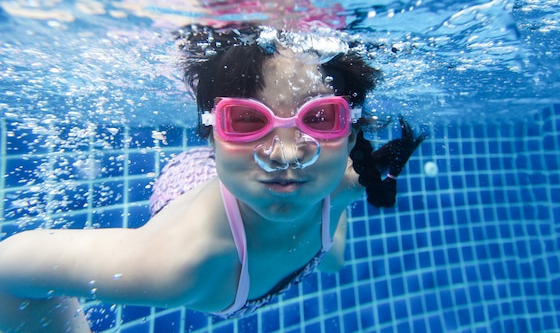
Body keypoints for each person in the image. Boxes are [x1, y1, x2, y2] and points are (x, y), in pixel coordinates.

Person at [0, 24, 424, 332]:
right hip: (188, 180)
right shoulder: (180, 263)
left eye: (318, 119)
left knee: (332, 242)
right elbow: (8, 270)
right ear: (212, 135)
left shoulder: (346, 176)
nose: (287, 155)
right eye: (245, 120)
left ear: (350, 134)